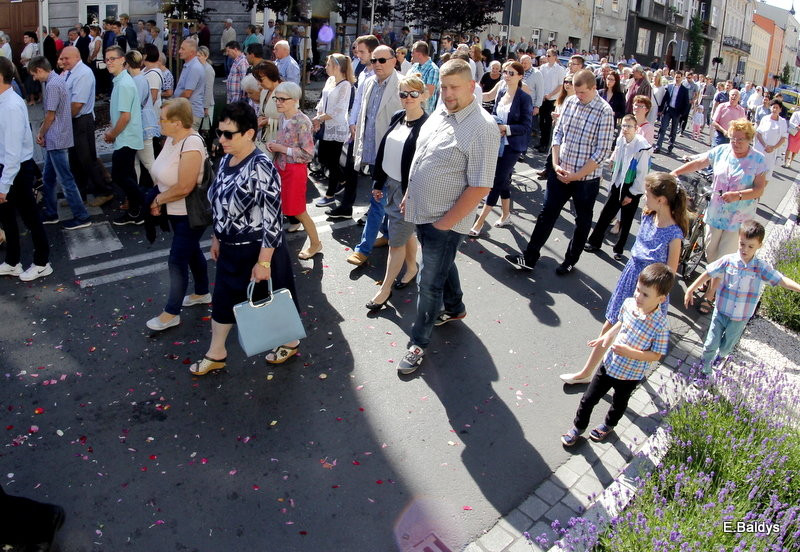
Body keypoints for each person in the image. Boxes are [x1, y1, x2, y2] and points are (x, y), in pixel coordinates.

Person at [396, 59, 499, 375]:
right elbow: (424, 155)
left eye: (454, 87)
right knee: (441, 263)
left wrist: (444, 223)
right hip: (422, 211)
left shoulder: (482, 127)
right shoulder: (442, 111)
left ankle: (418, 343)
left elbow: (481, 185)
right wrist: (410, 193)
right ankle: (455, 308)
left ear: (472, 87)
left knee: (429, 283)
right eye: (443, 86)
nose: (448, 93)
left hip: (445, 221)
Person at [190, 101, 301, 374]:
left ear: (249, 133)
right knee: (225, 302)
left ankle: (290, 339)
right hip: (231, 248)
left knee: (270, 301)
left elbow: (274, 219)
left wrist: (263, 263)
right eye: (220, 133)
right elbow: (219, 201)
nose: (222, 139)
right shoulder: (228, 158)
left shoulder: (261, 166)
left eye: (229, 134)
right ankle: (217, 352)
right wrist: (217, 236)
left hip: (257, 251)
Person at [565, 173, 685, 384]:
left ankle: (626, 377)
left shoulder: (674, 235)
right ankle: (587, 373)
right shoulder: (649, 215)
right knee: (611, 323)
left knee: (639, 338)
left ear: (661, 199)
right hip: (631, 278)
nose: (644, 198)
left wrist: (656, 300)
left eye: (647, 194)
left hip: (651, 292)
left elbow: (670, 275)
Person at [506, 69, 614, 275]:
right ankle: (530, 257)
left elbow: (602, 152)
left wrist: (576, 175)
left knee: (582, 221)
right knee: (546, 215)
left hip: (585, 180)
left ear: (593, 88)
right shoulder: (571, 102)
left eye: (582, 92)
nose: (578, 96)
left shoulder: (605, 111)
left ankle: (570, 260)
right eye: (577, 91)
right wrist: (555, 165)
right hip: (560, 170)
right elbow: (558, 134)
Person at [560, 263, 674, 446]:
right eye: (638, 290)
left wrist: (632, 353)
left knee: (619, 404)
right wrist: (605, 337)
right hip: (610, 364)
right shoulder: (629, 304)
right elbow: (620, 323)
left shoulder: (660, 325)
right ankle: (578, 428)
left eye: (645, 294)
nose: (638, 296)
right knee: (588, 399)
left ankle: (608, 425)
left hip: (630, 374)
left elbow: (656, 355)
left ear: (661, 299)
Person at [670, 119, 768, 313]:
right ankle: (712, 277)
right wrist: (675, 172)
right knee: (711, 253)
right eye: (733, 138)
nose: (736, 143)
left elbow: (759, 190)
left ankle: (710, 294)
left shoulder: (758, 160)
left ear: (749, 139)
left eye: (741, 139)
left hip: (738, 220)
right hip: (715, 213)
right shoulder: (722, 151)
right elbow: (700, 162)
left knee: (725, 257)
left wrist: (738, 195)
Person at [685, 220, 800, 375]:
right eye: (742, 244)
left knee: (726, 346)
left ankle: (722, 355)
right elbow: (709, 272)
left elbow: (780, 279)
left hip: (740, 318)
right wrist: (691, 288)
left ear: (760, 245)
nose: (745, 249)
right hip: (721, 312)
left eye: (750, 246)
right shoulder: (728, 261)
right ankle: (705, 370)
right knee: (711, 343)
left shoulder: (760, 268)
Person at [145, 98, 210, 331]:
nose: (159, 123)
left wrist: (158, 199)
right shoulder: (173, 139)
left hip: (188, 213)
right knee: (191, 252)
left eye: (162, 119)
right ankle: (202, 292)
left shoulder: (191, 144)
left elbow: (185, 186)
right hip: (175, 210)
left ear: (177, 122)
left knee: (177, 259)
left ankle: (171, 313)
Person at [365, 75, 428, 310]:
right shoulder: (397, 117)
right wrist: (378, 183)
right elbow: (385, 151)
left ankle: (385, 289)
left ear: (423, 95)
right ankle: (412, 268)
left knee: (396, 241)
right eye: (403, 93)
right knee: (404, 232)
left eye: (413, 93)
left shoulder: (427, 126)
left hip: (407, 191)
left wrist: (410, 193)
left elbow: (423, 166)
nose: (408, 98)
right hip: (390, 184)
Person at [343, 44, 402, 266]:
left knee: (377, 200)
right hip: (371, 151)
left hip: (391, 155)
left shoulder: (401, 84)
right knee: (384, 198)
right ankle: (387, 234)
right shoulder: (368, 82)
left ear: (394, 61)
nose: (376, 64)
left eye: (382, 60)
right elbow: (364, 115)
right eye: (373, 60)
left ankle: (363, 249)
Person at [0, 57, 53, 281]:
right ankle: (13, 261)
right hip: (9, 167)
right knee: (7, 217)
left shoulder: (10, 105)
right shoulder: (6, 100)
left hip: (17, 169)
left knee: (30, 217)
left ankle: (42, 262)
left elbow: (12, 150)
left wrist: (3, 185)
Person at [469, 61, 533, 235]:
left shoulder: (524, 98)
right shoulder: (502, 91)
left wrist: (507, 129)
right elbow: (496, 113)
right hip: (497, 143)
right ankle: (506, 215)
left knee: (496, 180)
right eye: (505, 72)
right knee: (503, 181)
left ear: (520, 76)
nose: (506, 76)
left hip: (513, 146)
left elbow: (526, 126)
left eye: (511, 73)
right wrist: (496, 124)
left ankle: (479, 222)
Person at [28, 56, 91, 230]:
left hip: (57, 137)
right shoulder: (57, 80)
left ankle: (81, 215)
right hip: (57, 137)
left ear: (40, 70)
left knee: (65, 179)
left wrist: (41, 133)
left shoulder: (53, 85)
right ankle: (51, 212)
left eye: (34, 74)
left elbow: (50, 115)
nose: (35, 78)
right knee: (48, 177)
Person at [583, 114, 653, 260]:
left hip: (631, 186)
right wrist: (612, 161)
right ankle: (594, 241)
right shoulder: (621, 139)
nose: (625, 129)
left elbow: (642, 174)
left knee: (626, 220)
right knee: (606, 213)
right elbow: (618, 155)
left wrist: (632, 194)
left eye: (629, 126)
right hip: (618, 183)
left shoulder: (642, 147)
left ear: (636, 128)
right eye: (623, 126)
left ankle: (619, 249)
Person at [265, 82, 321, 259]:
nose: (278, 102)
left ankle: (316, 244)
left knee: (298, 210)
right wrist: (275, 146)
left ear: (295, 100)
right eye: (276, 98)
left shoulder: (302, 122)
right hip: (281, 167)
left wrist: (281, 149)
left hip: (295, 171)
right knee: (281, 205)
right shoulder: (283, 117)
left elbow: (307, 154)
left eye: (282, 99)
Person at [58, 46, 113, 206]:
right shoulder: (71, 72)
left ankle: (105, 191)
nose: (62, 61)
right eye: (61, 58)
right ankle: (78, 196)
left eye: (65, 58)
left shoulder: (83, 74)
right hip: (74, 120)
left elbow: (76, 105)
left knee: (87, 159)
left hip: (81, 121)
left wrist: (61, 121)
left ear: (76, 57)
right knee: (75, 160)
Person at [104, 45, 145, 226]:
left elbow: (125, 116)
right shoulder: (121, 81)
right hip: (126, 137)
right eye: (107, 59)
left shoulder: (124, 84)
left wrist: (112, 134)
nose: (109, 62)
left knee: (120, 176)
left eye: (113, 58)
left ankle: (146, 204)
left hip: (126, 138)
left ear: (123, 60)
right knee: (128, 175)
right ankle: (135, 212)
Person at [313, 53, 354, 205]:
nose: (325, 67)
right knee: (323, 157)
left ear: (336, 67)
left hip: (337, 127)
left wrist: (319, 119)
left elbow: (338, 110)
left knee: (332, 162)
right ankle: (342, 179)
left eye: (328, 65)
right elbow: (322, 101)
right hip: (325, 125)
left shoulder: (346, 85)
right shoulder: (330, 80)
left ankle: (330, 196)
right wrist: (318, 116)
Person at [126, 49, 159, 187]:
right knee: (141, 162)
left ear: (127, 64)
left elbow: (134, 105)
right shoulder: (141, 78)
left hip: (141, 125)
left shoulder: (136, 80)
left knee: (147, 162)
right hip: (144, 124)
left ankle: (160, 190)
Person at [752, 100, 787, 187]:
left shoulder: (782, 122)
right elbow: (758, 133)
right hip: (761, 148)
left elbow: (783, 138)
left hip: (772, 152)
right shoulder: (765, 118)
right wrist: (765, 145)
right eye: (773, 107)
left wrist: (773, 147)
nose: (774, 109)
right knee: (755, 171)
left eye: (777, 108)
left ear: (780, 110)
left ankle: (759, 192)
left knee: (767, 174)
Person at [654, 71, 690, 154]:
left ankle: (670, 146)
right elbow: (665, 99)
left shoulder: (684, 90)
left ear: (682, 78)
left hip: (677, 112)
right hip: (668, 110)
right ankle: (658, 146)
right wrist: (660, 109)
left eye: (679, 77)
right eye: (676, 77)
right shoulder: (670, 87)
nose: (677, 79)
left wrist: (682, 113)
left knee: (673, 131)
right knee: (663, 128)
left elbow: (686, 103)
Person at [172, 39, 206, 130]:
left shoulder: (194, 67)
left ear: (191, 52)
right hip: (186, 112)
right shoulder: (190, 65)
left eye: (183, 49)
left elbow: (187, 93)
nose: (179, 51)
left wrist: (173, 103)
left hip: (190, 114)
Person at [537, 49, 566, 152]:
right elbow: (540, 81)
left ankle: (545, 144)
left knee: (548, 122)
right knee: (541, 121)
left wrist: (550, 95)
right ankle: (541, 141)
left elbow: (560, 85)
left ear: (554, 57)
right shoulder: (543, 68)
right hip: (543, 97)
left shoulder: (559, 69)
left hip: (552, 99)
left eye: (549, 56)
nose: (547, 57)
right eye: (546, 55)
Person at [409, 41, 439, 114]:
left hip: (424, 112)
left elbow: (428, 93)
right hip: (411, 109)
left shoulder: (433, 69)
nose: (411, 54)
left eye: (413, 52)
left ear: (419, 54)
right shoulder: (414, 66)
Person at [20, 31, 41, 105]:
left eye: (26, 37)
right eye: (24, 37)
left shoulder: (30, 46)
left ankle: (32, 100)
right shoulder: (32, 45)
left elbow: (29, 57)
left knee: (29, 83)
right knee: (33, 83)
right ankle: (39, 97)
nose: (24, 39)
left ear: (30, 38)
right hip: (31, 66)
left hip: (29, 67)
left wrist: (22, 60)